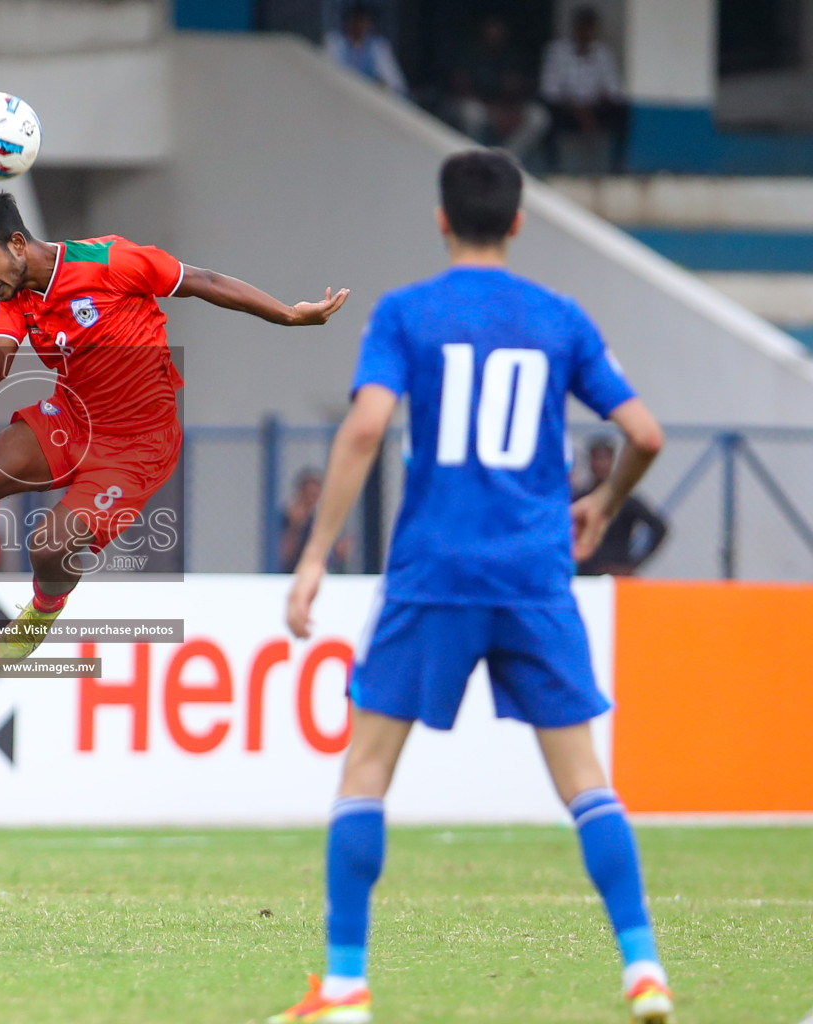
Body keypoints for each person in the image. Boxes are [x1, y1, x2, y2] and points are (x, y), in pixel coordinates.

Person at [274, 150, 673, 1023]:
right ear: (519, 222)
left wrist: (315, 554)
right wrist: (602, 503)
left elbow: (368, 425)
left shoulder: (408, 314)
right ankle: (644, 970)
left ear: (441, 218)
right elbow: (644, 430)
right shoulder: (559, 318)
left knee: (366, 771)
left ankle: (344, 986)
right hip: (534, 574)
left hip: (436, 572)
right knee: (587, 784)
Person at [0, 191, 349, 662]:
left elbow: (202, 280)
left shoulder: (110, 260)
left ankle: (43, 611)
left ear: (17, 243)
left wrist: (288, 314)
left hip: (138, 446)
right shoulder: (17, 298)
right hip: (74, 419)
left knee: (46, 547)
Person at [444, 14, 551, 162]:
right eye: (490, 31)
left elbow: (522, 89)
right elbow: (461, 88)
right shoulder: (469, 54)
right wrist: (493, 110)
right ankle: (473, 160)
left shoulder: (511, 55)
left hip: (508, 110)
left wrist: (511, 110)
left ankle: (506, 159)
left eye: (498, 32)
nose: (494, 35)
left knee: (538, 116)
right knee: (471, 113)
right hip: (480, 106)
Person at [541, 5, 628, 174]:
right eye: (583, 28)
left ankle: (617, 163)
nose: (587, 33)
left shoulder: (602, 53)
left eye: (591, 29)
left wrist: (591, 108)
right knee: (546, 112)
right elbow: (550, 90)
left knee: (623, 111)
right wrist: (577, 110)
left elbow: (614, 90)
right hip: (567, 109)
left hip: (594, 110)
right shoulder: (557, 52)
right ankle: (552, 164)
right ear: (575, 29)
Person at [575, 437, 668, 576]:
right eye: (597, 459)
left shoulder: (625, 499)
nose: (600, 465)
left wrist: (633, 564)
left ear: (613, 462)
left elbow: (659, 528)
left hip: (617, 575)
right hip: (584, 573)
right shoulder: (579, 497)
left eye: (605, 459)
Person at [278, 468, 351, 573]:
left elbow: (334, 553)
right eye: (309, 496)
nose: (312, 501)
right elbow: (283, 554)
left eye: (316, 496)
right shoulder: (289, 518)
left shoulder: (323, 520)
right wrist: (295, 527)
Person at [325, 3, 406, 96]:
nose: (359, 26)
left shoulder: (377, 47)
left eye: (363, 22)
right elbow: (331, 71)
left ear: (369, 25)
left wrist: (382, 84)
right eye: (355, 21)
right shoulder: (334, 43)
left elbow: (395, 83)